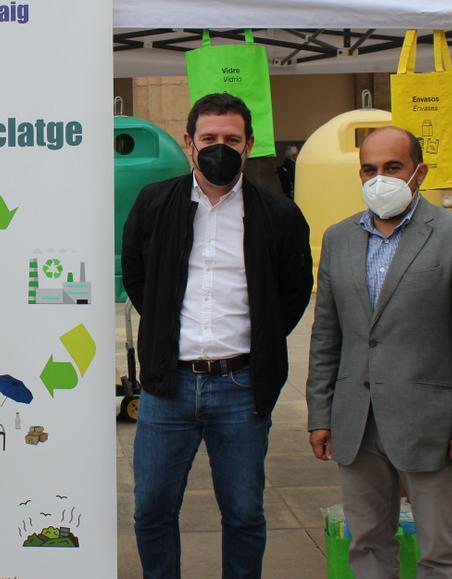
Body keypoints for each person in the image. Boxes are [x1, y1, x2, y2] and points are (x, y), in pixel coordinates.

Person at [122, 93, 314, 579]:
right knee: (152, 511)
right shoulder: (155, 203)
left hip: (242, 386)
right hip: (169, 386)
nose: (219, 148)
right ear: (189, 142)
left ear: (249, 144)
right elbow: (137, 275)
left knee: (245, 514)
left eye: (231, 139)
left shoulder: (279, 214)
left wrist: (262, 339)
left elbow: (294, 291)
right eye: (209, 139)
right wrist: (166, 329)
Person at [306, 126, 452, 578]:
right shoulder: (339, 239)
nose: (381, 179)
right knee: (368, 545)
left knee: (441, 554)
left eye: (393, 167)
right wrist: (320, 413)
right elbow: (327, 335)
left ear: (419, 172)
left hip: (431, 426)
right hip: (357, 422)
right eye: (370, 169)